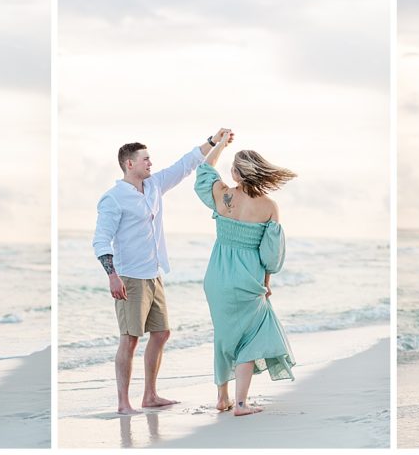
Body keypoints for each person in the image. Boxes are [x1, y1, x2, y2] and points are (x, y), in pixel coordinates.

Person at [93, 128, 233, 415]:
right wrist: (112, 274)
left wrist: (213, 141)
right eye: (145, 159)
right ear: (129, 164)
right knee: (130, 339)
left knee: (161, 333)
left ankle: (150, 395)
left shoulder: (155, 185)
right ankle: (123, 402)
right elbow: (100, 239)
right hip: (129, 276)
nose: (150, 164)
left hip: (154, 273)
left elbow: (185, 165)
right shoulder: (114, 198)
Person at [194, 133, 296, 416]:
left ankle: (222, 398)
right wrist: (266, 283)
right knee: (249, 339)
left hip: (216, 278)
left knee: (224, 337)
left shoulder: (223, 195)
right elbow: (270, 256)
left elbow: (204, 170)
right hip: (247, 279)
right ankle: (240, 404)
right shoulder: (269, 207)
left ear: (237, 173)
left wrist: (220, 144)